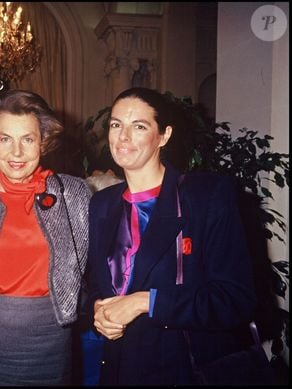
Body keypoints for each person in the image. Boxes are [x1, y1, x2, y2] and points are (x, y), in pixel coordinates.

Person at [86, 87, 257, 385]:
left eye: (138, 126)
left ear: (164, 136)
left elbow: (235, 300)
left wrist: (146, 302)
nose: (123, 137)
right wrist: (98, 312)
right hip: (120, 368)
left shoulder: (205, 196)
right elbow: (95, 286)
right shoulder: (102, 203)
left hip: (183, 368)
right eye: (116, 125)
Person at [0, 89, 92, 385]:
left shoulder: (74, 194)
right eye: (6, 139)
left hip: (53, 335)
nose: (16, 153)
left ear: (43, 143)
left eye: (28, 139)